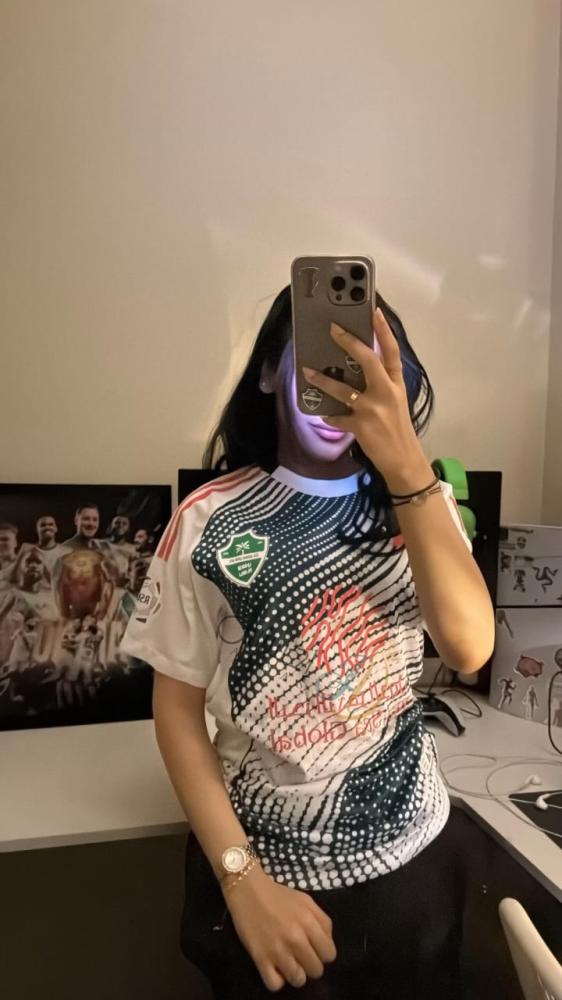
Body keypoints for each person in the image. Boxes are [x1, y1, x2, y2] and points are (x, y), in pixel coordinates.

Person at [122, 287, 495, 999]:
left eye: (360, 366)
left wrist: (407, 466)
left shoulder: (421, 501)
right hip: (265, 874)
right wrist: (242, 882)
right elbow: (176, 714)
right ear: (270, 373)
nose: (338, 387)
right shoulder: (209, 519)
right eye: (320, 361)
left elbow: (470, 648)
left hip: (414, 861)